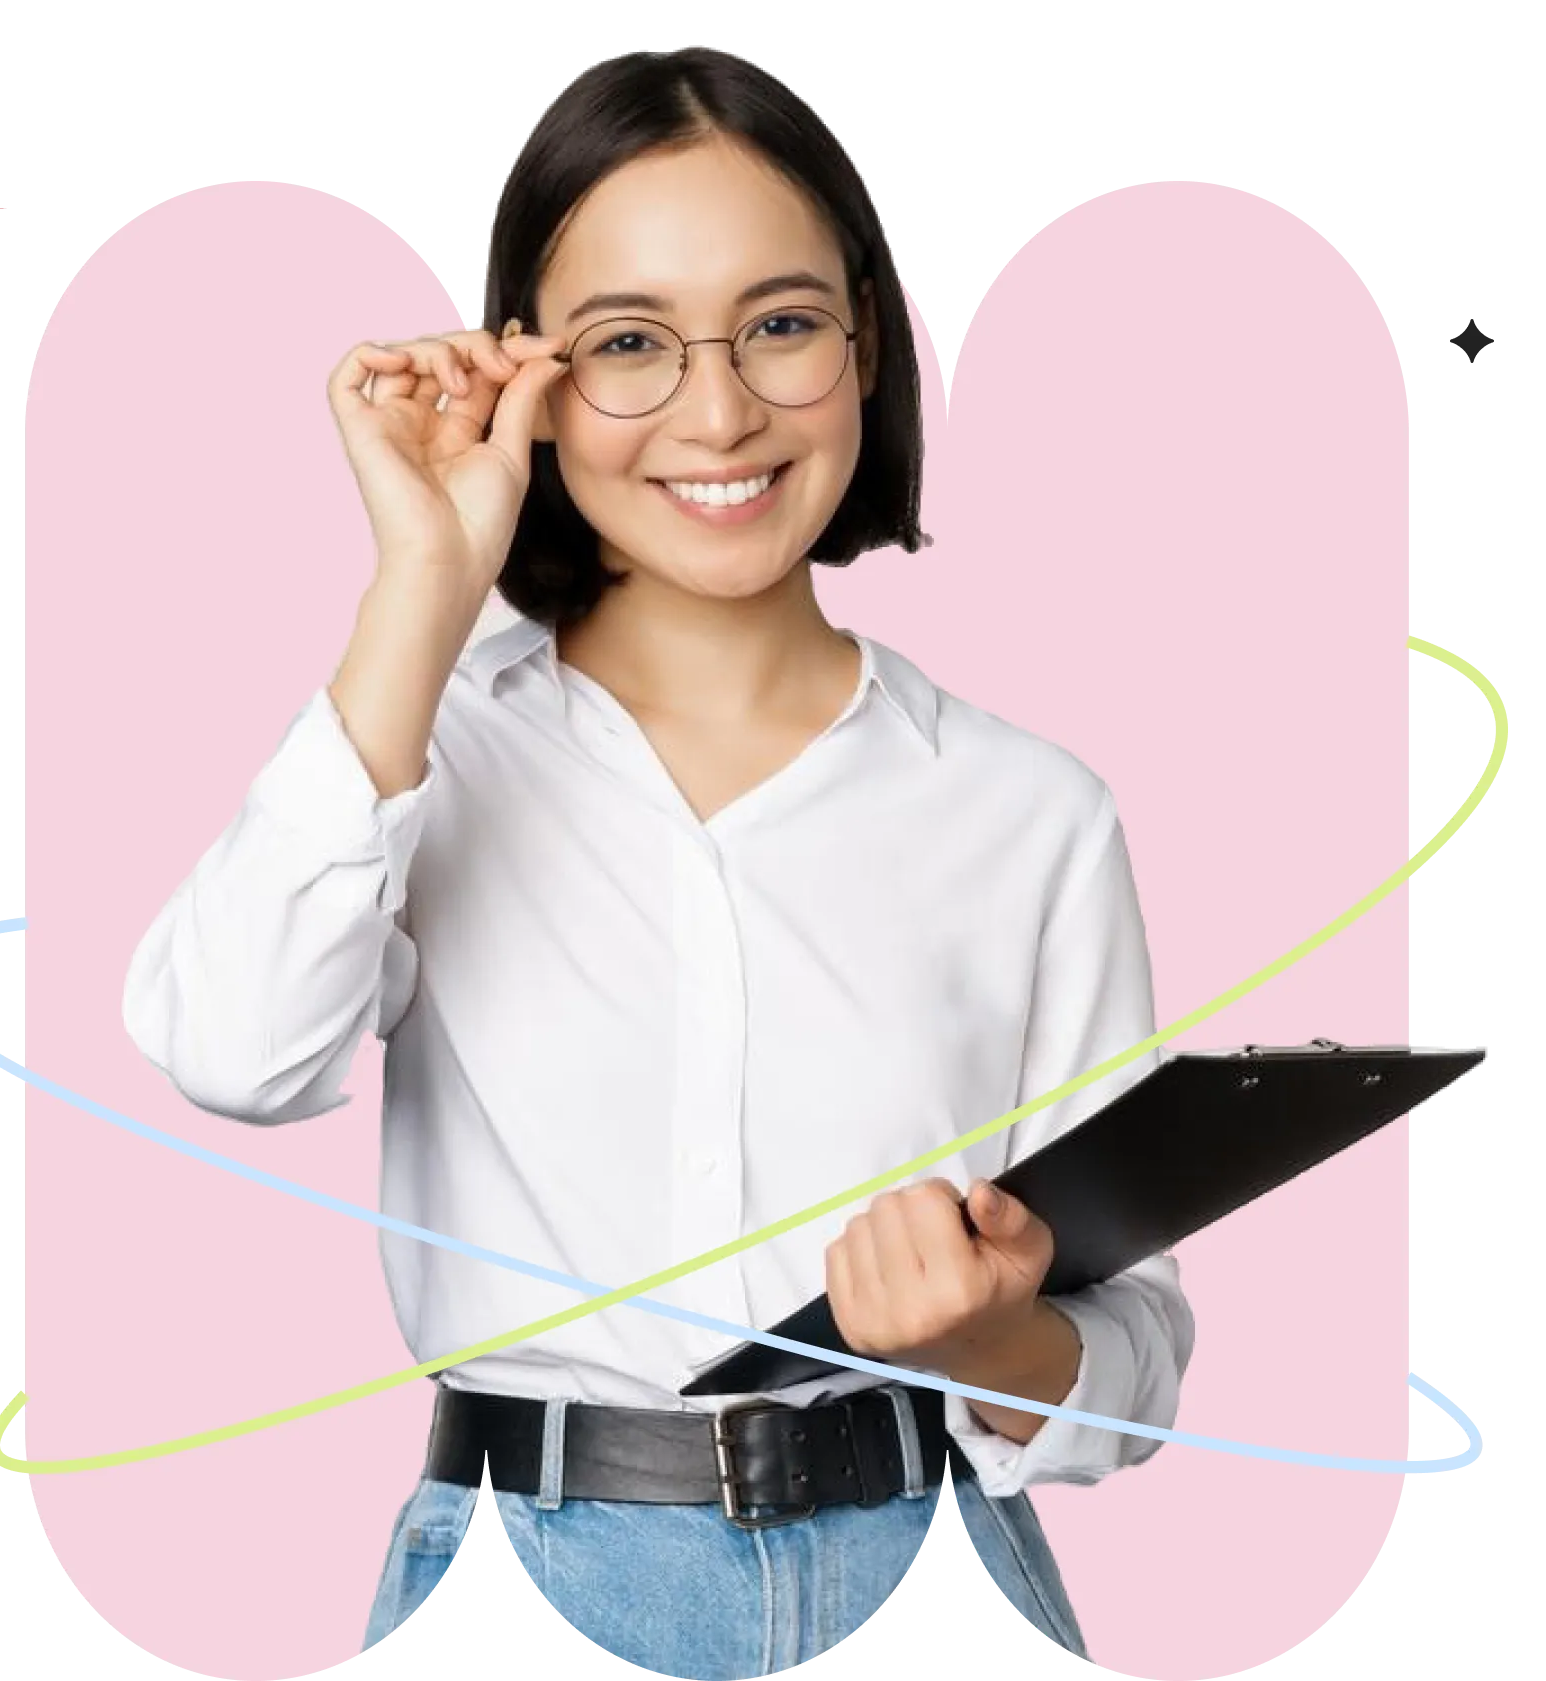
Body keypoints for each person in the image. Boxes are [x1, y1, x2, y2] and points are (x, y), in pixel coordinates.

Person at [123, 45, 1194, 1680]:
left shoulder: (1027, 810)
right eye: (627, 343)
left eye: (779, 324)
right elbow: (231, 1054)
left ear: (865, 345)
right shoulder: (423, 742)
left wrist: (991, 1334)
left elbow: (1132, 1364)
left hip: (939, 1563)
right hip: (527, 1564)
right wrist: (422, 582)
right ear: (527, 376)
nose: (717, 412)